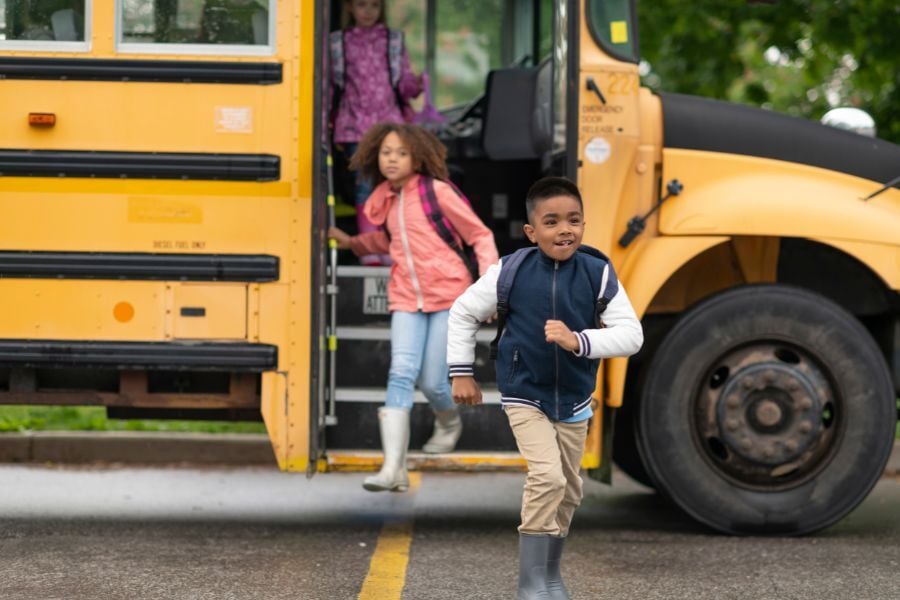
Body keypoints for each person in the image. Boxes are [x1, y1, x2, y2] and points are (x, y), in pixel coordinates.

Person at [447, 177, 643, 599]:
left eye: (573, 220)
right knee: (549, 477)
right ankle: (530, 584)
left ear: (584, 224)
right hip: (525, 391)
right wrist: (461, 373)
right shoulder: (511, 271)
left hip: (574, 396)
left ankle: (551, 575)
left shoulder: (598, 272)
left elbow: (632, 335)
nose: (564, 230)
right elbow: (463, 312)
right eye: (551, 222)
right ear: (532, 232)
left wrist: (580, 340)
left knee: (571, 490)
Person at [328, 123, 498, 492]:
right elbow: (389, 239)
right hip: (406, 295)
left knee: (434, 381)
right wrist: (351, 243)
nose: (392, 159)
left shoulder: (437, 192)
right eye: (386, 152)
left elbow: (480, 235)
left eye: (401, 153)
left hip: (449, 294)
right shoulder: (387, 198)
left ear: (417, 157)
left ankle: (449, 422)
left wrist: (487, 289)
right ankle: (393, 469)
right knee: (401, 371)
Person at [330, 0, 424, 266]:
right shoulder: (338, 43)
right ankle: (369, 248)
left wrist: (414, 85)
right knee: (364, 187)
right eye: (361, 5)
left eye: (374, 5)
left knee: (394, 185)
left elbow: (403, 82)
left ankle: (392, 246)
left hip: (390, 126)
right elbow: (330, 86)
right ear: (349, 8)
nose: (368, 11)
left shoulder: (393, 41)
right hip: (354, 126)